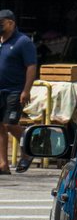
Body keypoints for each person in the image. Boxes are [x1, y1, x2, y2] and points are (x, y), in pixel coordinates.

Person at [0, 10, 38, 172]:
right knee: (0, 126)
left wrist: (26, 90)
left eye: (1, 22)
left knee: (9, 124)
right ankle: (3, 164)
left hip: (15, 90)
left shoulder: (23, 42)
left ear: (11, 23)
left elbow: (31, 66)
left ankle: (29, 148)